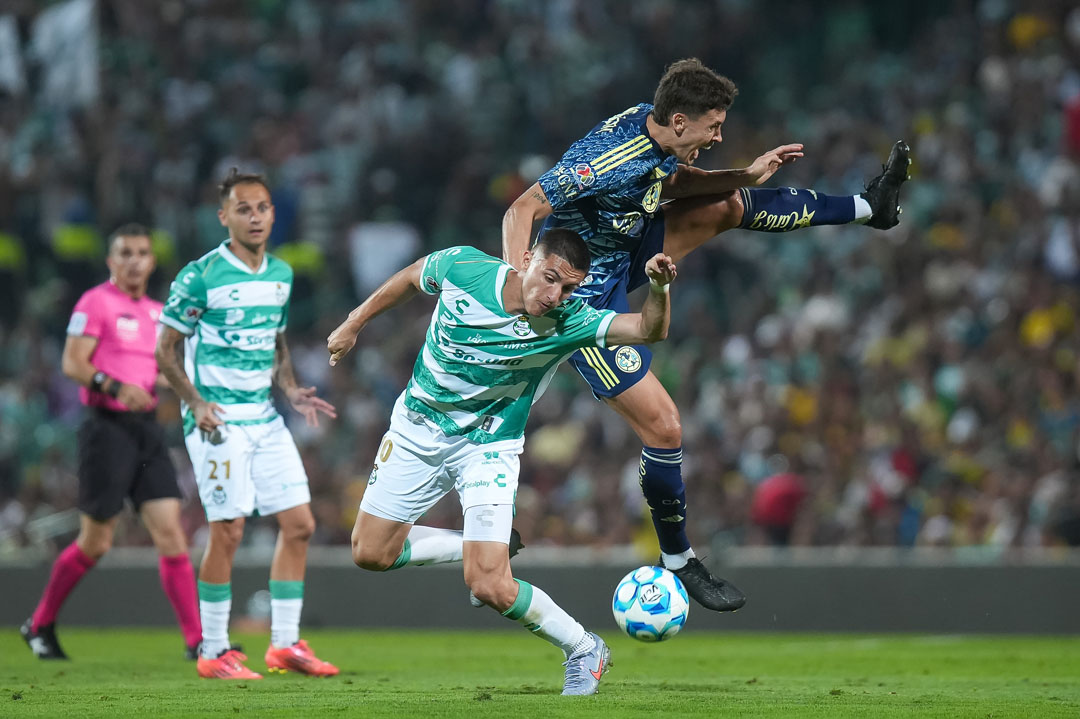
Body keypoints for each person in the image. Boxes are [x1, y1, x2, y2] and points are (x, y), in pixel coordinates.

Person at [502, 58, 912, 612]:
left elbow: (673, 180)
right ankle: (678, 561)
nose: (718, 137)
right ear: (677, 120)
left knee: (728, 204)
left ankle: (871, 207)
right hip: (580, 301)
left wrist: (743, 174)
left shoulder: (655, 134)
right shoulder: (605, 158)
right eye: (712, 128)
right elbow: (524, 207)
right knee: (665, 426)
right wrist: (514, 283)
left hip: (626, 249)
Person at [326, 229, 677, 695]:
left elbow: (649, 330)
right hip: (415, 429)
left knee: (488, 583)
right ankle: (481, 543)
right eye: (550, 278)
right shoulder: (463, 268)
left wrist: (658, 288)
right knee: (370, 553)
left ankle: (583, 647)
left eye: (569, 287)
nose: (555, 295)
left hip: (487, 449)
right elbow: (412, 277)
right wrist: (355, 321)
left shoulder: (570, 320)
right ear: (527, 259)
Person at [156, 169, 339, 680]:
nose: (254, 216)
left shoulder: (280, 274)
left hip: (263, 416)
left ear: (273, 213)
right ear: (225, 217)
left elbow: (276, 342)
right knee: (229, 530)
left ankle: (284, 645)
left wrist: (290, 387)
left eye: (261, 208)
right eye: (243, 209)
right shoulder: (200, 275)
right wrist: (194, 402)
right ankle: (213, 650)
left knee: (300, 525)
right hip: (217, 420)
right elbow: (165, 349)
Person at [20, 224, 202, 660]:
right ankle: (40, 623)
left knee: (172, 536)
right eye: (125, 252)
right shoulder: (95, 302)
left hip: (146, 431)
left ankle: (199, 642)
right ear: (111, 261)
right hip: (106, 427)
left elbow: (156, 374)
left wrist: (189, 387)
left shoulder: (159, 312)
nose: (134, 260)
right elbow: (72, 362)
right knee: (96, 542)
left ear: (152, 261)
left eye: (142, 252)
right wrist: (116, 387)